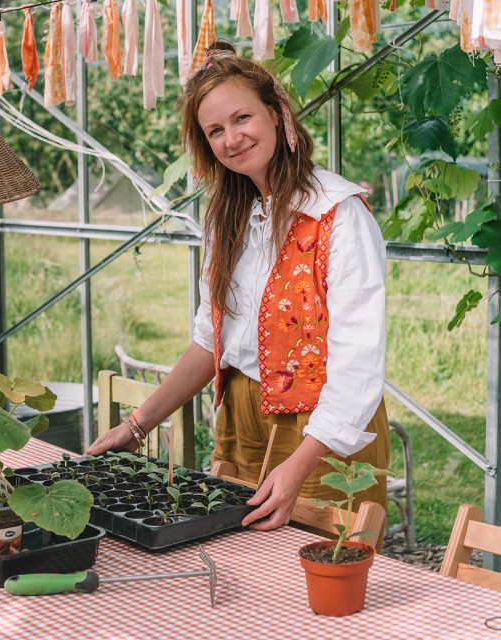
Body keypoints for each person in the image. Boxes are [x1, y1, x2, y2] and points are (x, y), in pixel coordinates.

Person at [86, 40, 389, 534]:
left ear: (277, 113)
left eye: (242, 118)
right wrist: (137, 425)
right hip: (241, 420)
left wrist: (300, 464)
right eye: (215, 131)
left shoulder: (339, 215)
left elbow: (357, 364)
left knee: (316, 576)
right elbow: (213, 342)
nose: (232, 139)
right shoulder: (229, 219)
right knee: (240, 569)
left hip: (323, 430)